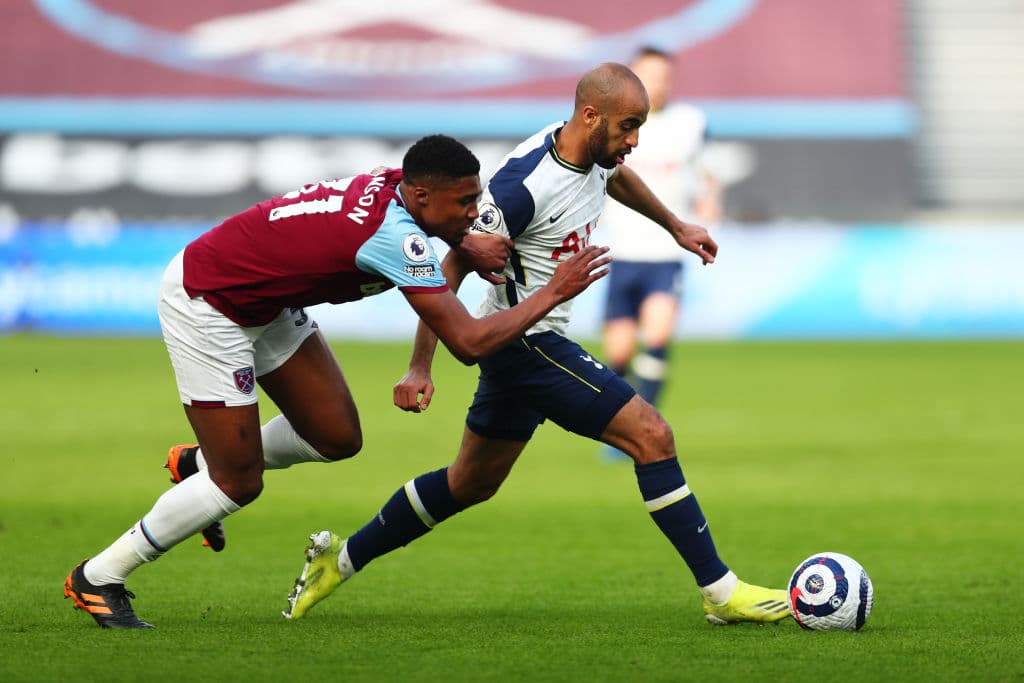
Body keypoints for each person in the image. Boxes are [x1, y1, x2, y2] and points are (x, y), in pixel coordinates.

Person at [281, 64, 789, 626]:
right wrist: (420, 366)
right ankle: (721, 593)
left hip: (522, 341)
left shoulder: (594, 153)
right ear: (591, 117)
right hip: (527, 343)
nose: (634, 141)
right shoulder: (523, 187)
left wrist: (674, 225)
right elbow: (452, 265)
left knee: (469, 483)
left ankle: (340, 562)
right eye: (627, 127)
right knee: (651, 435)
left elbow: (613, 178)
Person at [63, 134, 611, 629]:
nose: (476, 213)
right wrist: (552, 292)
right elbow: (466, 343)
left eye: (475, 199)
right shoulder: (395, 237)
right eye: (465, 204)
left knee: (336, 437)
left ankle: (197, 465)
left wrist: (463, 240)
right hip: (210, 301)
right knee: (240, 482)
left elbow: (411, 226)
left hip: (267, 302)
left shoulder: (399, 187)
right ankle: (100, 576)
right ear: (422, 197)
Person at [600, 46, 722, 460]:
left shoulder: (691, 123)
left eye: (665, 76)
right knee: (617, 354)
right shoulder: (617, 123)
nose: (660, 83)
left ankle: (640, 429)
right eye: (651, 75)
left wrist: (708, 198)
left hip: (664, 253)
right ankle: (620, 422)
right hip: (619, 252)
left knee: (657, 337)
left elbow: (708, 170)